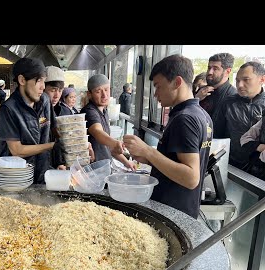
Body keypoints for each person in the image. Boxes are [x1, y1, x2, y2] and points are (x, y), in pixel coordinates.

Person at [123, 54, 213, 219]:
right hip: (185, 209)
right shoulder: (202, 115)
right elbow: (178, 160)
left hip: (172, 211)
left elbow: (191, 177)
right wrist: (147, 158)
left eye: (158, 86)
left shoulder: (185, 119)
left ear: (177, 82)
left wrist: (149, 151)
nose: (156, 94)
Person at [0, 57, 57, 184]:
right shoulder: (8, 109)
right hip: (16, 179)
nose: (43, 87)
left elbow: (55, 129)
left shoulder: (45, 100)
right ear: (22, 80)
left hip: (42, 173)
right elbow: (17, 150)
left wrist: (75, 144)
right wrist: (52, 146)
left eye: (44, 81)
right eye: (39, 80)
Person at [217, 61, 265, 170]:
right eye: (237, 80)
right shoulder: (228, 103)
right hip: (232, 164)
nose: (240, 85)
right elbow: (217, 134)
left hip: (260, 168)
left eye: (246, 80)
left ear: (262, 79)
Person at [81, 74, 134, 169]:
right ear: (89, 94)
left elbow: (108, 146)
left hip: (105, 167)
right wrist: (115, 142)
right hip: (94, 170)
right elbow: (98, 132)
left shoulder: (104, 111)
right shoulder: (89, 111)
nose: (104, 95)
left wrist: (127, 162)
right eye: (98, 91)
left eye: (106, 89)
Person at [196, 53, 236, 136]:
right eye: (209, 68)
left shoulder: (233, 97)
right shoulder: (201, 92)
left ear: (227, 71)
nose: (210, 72)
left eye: (215, 69)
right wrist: (196, 100)